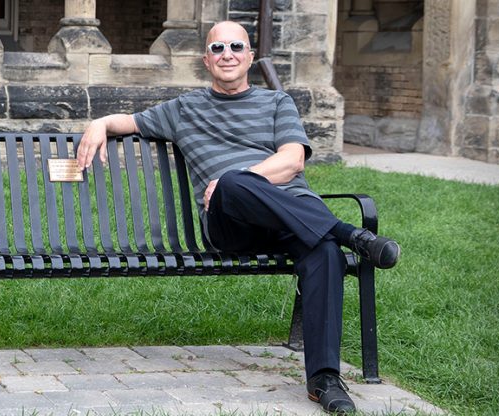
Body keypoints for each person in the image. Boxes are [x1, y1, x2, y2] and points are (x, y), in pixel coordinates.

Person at [75, 20, 401, 414]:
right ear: (206, 61)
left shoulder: (277, 103)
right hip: (231, 224)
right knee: (229, 186)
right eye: (217, 49)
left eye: (235, 47)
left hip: (289, 218)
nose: (226, 54)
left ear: (248, 57)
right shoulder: (183, 109)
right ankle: (353, 235)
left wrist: (244, 178)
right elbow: (127, 122)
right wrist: (98, 123)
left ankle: (324, 380)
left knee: (324, 253)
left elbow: (293, 159)